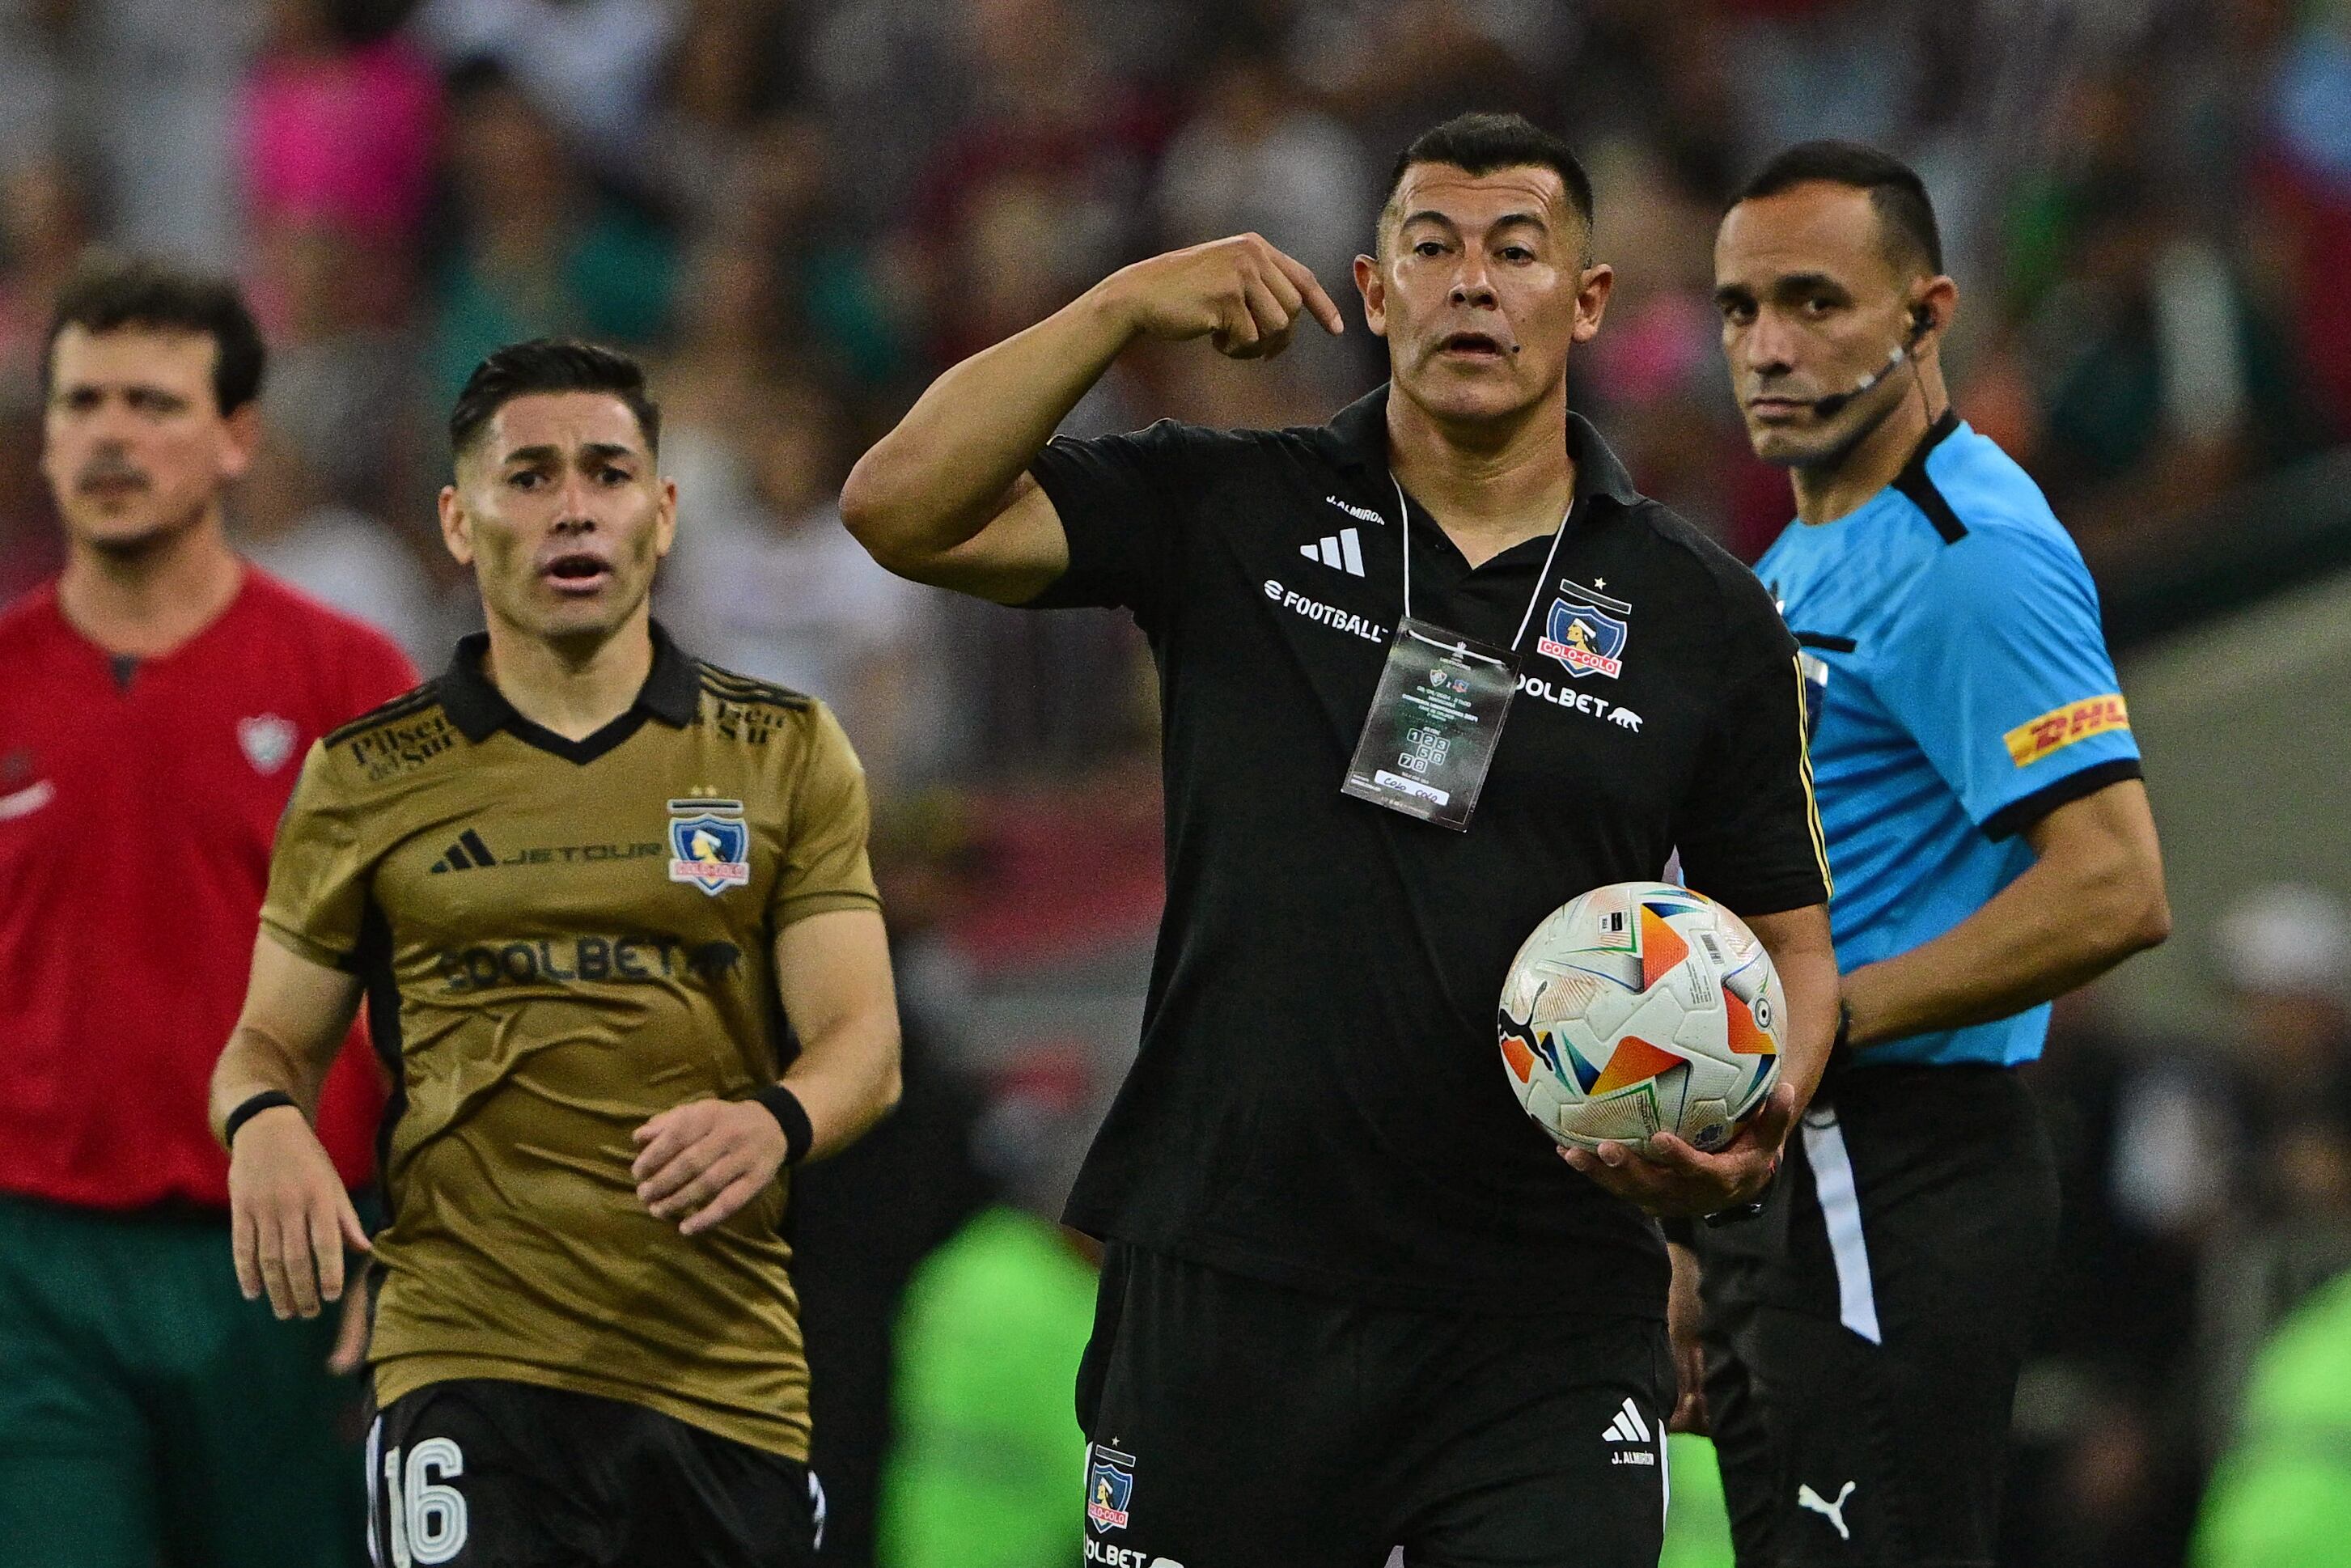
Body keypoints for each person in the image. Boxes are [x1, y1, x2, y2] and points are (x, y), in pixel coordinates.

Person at [842, 111, 1840, 1568]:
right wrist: (1116, 303)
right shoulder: (1234, 507)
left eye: (1515, 250)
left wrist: (1752, 1135)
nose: (1471, 285)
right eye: (1428, 249)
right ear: (1372, 296)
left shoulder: (1703, 617)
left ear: (1589, 299)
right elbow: (898, 504)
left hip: (1539, 1314)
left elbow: (1794, 942)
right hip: (1229, 1277)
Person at [209, 338, 902, 1568]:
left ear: (665, 510)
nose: (573, 505)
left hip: (718, 1372)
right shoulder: (366, 776)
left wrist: (775, 1120)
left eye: (608, 471)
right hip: (464, 1362)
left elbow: (864, 1044)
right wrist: (265, 1118)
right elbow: (265, 1038)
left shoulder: (781, 749)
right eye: (528, 475)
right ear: (458, 522)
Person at [1700, 140, 2172, 1568]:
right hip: (1797, 1163)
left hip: (1893, 1152)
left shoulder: (1967, 551)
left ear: (1926, 312)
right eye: (1736, 309)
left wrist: (1834, 1014)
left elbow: (2113, 880)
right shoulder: (1796, 557)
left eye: (1813, 302)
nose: (1768, 347)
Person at [0, 257, 417, 1567]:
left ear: (237, 436)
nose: (111, 435)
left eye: (154, 403)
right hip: (33, 1270)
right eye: (82, 403)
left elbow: (436, 986)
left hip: (288, 1257)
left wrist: (418, 1234)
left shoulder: (348, 677)